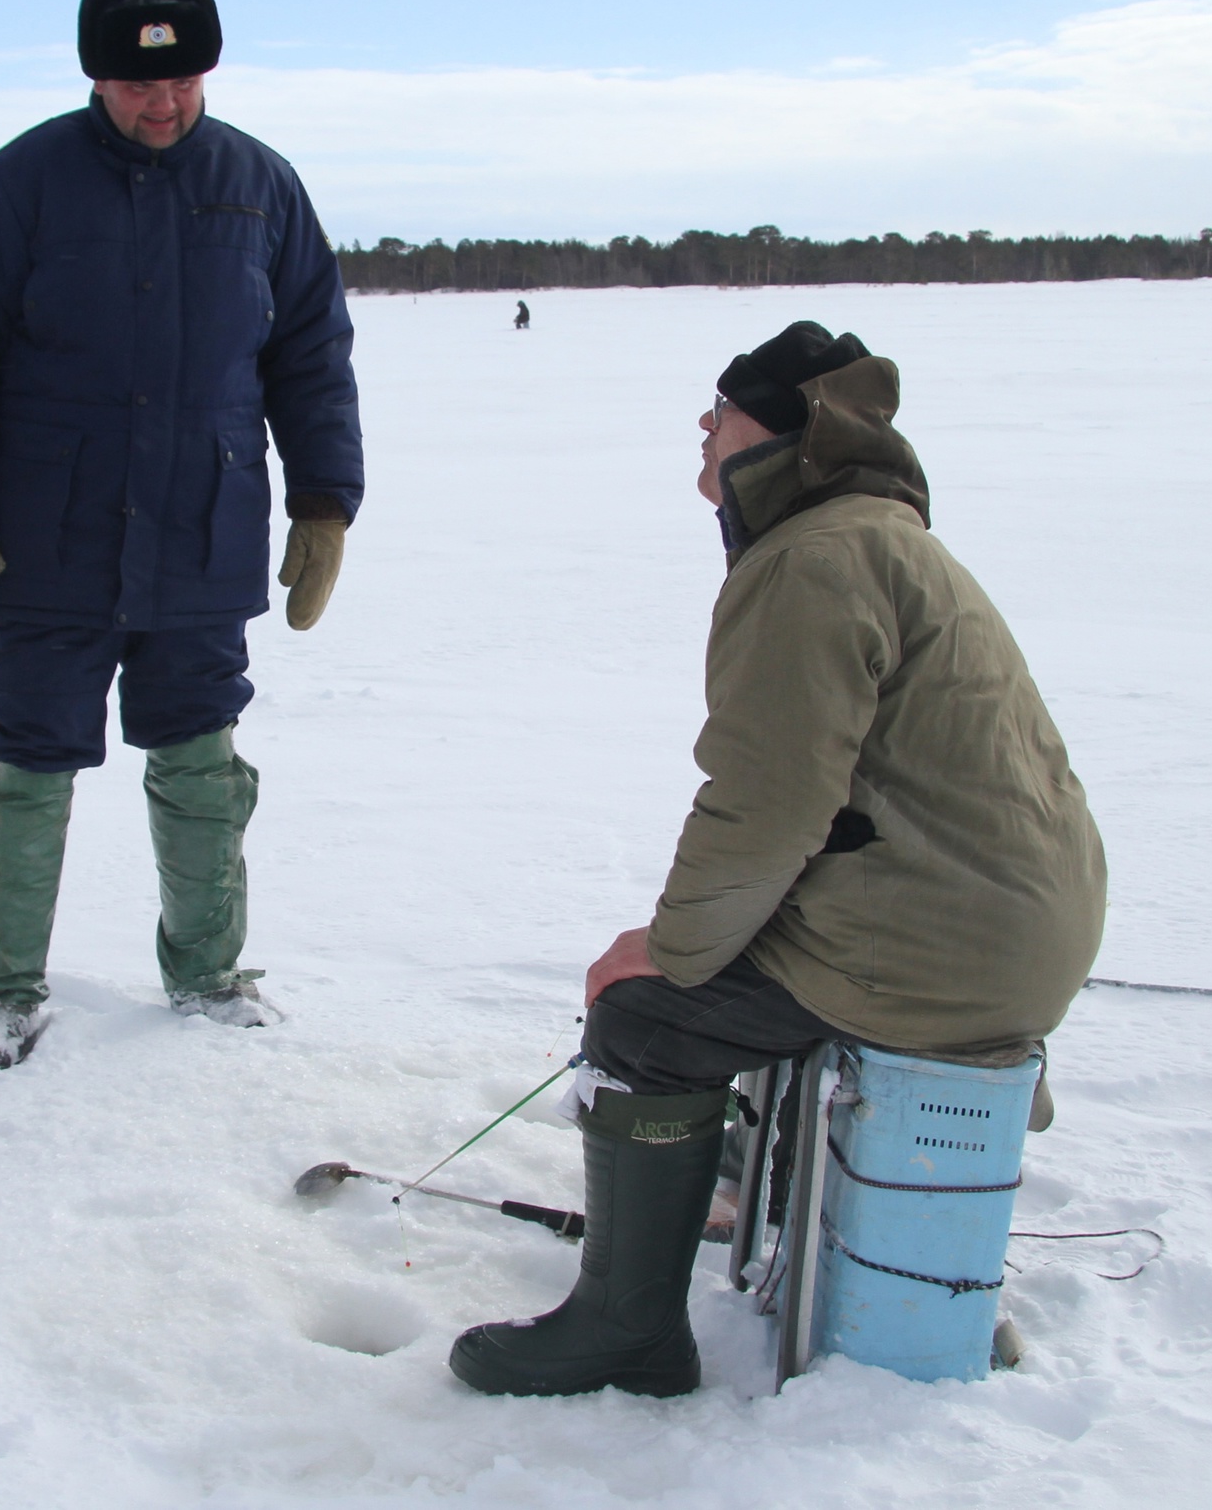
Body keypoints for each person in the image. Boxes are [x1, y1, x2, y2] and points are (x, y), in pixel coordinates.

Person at [449, 321, 1105, 1397]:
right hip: (1001, 927)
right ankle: (741, 1185)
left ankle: (628, 1329)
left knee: (646, 1017)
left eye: (726, 408)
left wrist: (663, 950)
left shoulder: (810, 557)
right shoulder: (872, 536)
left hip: (935, 942)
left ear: (794, 434)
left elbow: (768, 802)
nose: (704, 426)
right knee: (727, 960)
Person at [0, 0, 364, 1076]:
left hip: (202, 526)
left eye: (181, 77)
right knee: (27, 757)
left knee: (202, 754)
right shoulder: (24, 183)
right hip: (48, 530)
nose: (160, 102)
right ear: (94, 77)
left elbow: (310, 353)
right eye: (132, 81)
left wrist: (323, 499)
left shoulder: (259, 185)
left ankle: (209, 972)